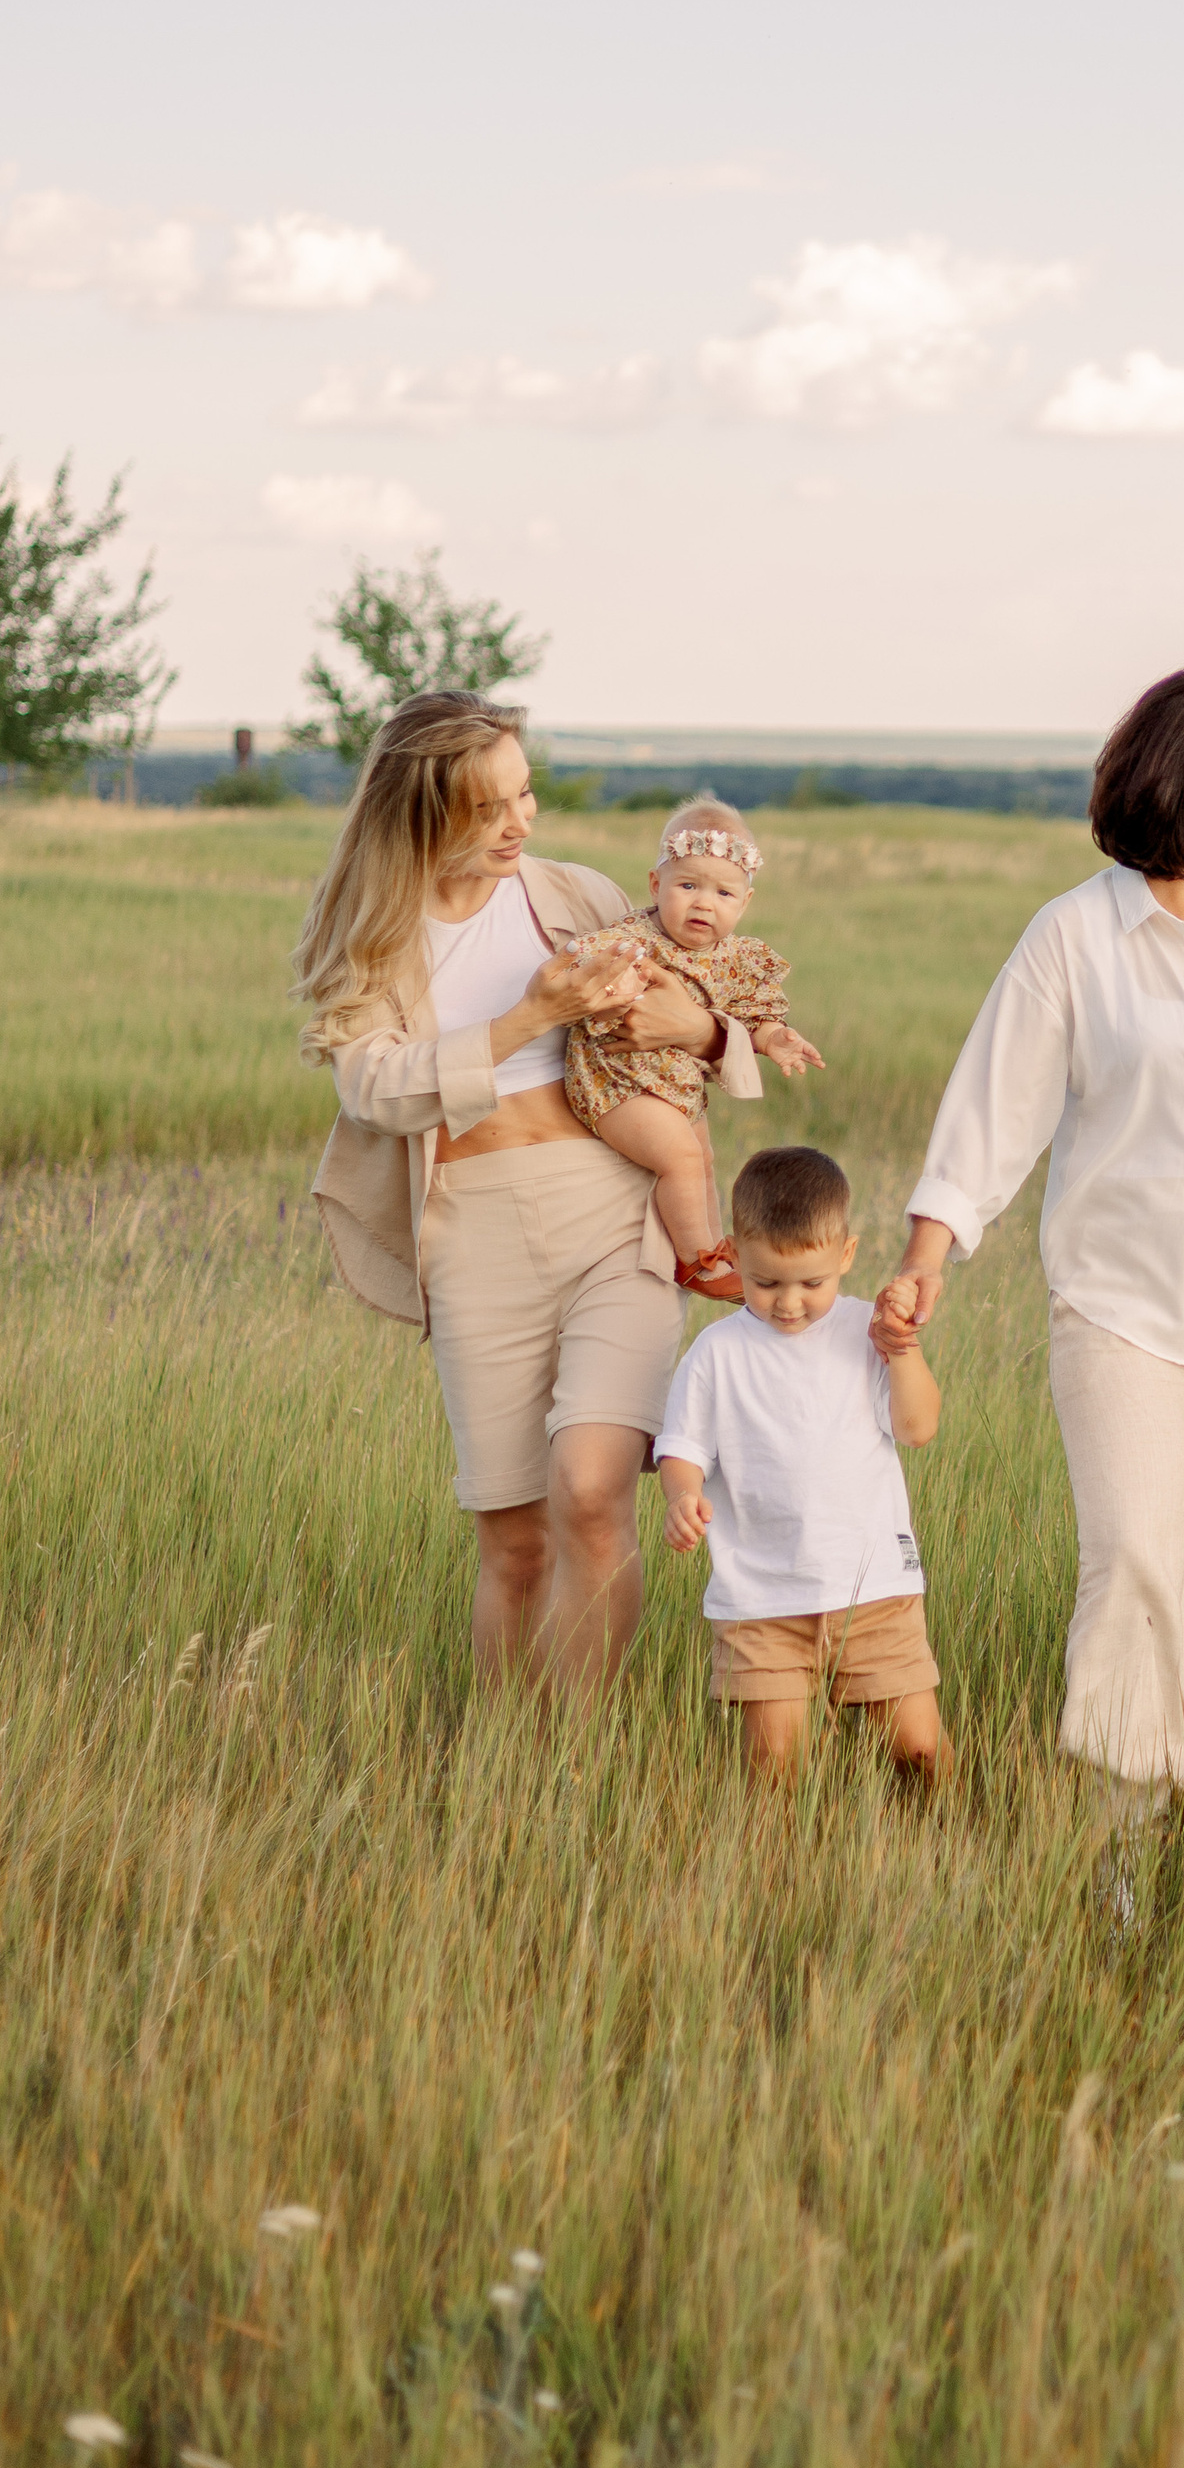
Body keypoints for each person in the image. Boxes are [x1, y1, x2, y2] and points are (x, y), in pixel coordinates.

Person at [871, 667, 1184, 1823]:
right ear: (1181, 780)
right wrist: (926, 1255)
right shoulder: (1073, 936)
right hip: (1124, 1306)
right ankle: (1124, 1831)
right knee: (1133, 1563)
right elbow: (992, 1108)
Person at [293, 690, 725, 1694]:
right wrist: (529, 1016)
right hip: (471, 1231)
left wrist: (703, 1031)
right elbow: (373, 1090)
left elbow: (699, 1012)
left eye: (524, 794)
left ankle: (584, 1756)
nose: (519, 822)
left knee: (592, 1492)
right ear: (423, 810)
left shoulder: (575, 895)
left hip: (610, 1212)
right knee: (516, 1539)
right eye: (487, 808)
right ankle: (512, 1760)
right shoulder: (371, 931)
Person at [657, 1146, 950, 1788]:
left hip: (873, 1589)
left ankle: (951, 1835)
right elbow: (683, 1448)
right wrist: (682, 1496)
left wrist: (902, 1347)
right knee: (775, 1769)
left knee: (918, 1750)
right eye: (766, 1283)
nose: (789, 1303)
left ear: (846, 1254)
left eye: (811, 1284)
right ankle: (783, 1854)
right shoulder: (715, 1354)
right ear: (733, 1254)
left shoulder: (867, 1331)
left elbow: (918, 1428)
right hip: (761, 1599)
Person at [562, 791, 824, 1302]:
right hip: (616, 1085)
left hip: (678, 1091)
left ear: (745, 902)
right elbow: (580, 968)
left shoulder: (736, 959)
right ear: (656, 885)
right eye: (687, 886)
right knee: (681, 1156)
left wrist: (776, 1039)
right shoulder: (634, 941)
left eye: (724, 893)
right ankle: (694, 1259)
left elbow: (755, 1016)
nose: (704, 903)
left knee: (702, 1157)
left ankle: (715, 1249)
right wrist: (610, 984)